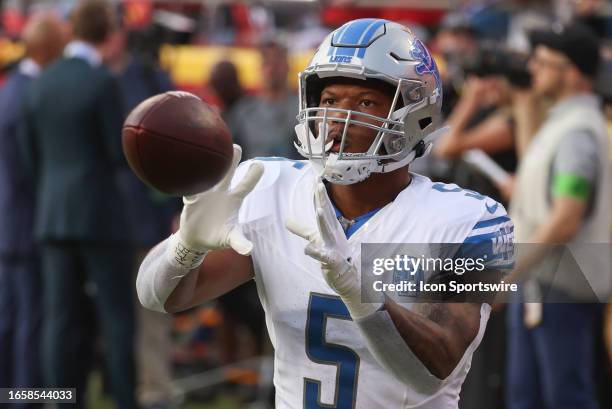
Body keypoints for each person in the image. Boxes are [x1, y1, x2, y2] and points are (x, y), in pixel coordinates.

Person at [137, 18, 514, 408]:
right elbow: (159, 298)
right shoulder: (270, 187)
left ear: (415, 113)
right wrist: (185, 247)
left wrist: (360, 294)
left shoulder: (468, 221)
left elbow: (430, 372)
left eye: (365, 102)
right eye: (330, 100)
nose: (338, 117)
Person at [18, 2, 137, 408]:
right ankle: (124, 400)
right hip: (100, 215)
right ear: (107, 32)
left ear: (72, 31)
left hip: (52, 215)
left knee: (59, 319)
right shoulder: (102, 82)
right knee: (117, 318)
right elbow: (118, 152)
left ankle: (61, 400)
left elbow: (30, 157)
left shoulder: (40, 83)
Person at [503, 22, 609, 409]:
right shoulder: (564, 122)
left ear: (575, 74)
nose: (534, 68)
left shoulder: (578, 132)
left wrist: (506, 273)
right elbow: (533, 164)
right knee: (526, 397)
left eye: (545, 63)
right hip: (542, 283)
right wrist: (524, 103)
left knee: (566, 397)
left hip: (558, 288)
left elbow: (566, 218)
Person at [0, 14, 65, 408]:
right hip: (27, 225)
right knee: (31, 323)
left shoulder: (12, 90)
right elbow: (34, 167)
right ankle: (26, 399)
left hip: (9, 224)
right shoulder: (31, 96)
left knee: (10, 321)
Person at [224, 38, 299, 159]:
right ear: (260, 68)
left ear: (287, 66)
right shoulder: (243, 111)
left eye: (277, 61)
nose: (272, 68)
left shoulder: (302, 110)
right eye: (267, 62)